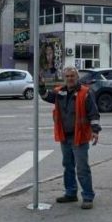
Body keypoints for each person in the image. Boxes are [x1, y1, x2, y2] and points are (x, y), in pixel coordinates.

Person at [39, 66, 101, 209]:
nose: (69, 78)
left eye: (72, 76)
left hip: (79, 137)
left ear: (77, 77)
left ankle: (87, 196)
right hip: (64, 136)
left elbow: (94, 114)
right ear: (64, 78)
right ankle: (71, 193)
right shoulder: (60, 91)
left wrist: (95, 130)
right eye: (67, 76)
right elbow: (46, 96)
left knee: (82, 168)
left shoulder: (85, 92)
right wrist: (41, 86)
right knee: (68, 166)